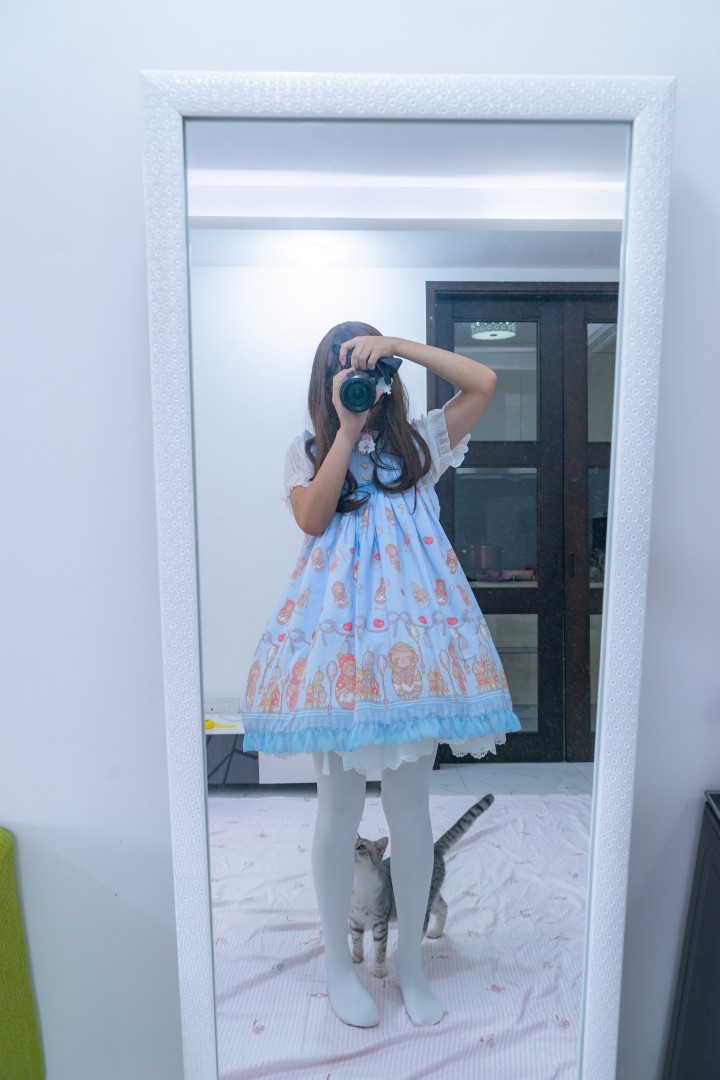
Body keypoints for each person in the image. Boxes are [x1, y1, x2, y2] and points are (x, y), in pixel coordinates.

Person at [242, 321, 522, 1028]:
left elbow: (484, 382)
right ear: (325, 383)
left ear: (388, 378)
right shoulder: (308, 450)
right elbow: (313, 519)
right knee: (336, 810)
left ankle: (411, 964)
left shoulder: (421, 445)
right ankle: (339, 964)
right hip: (338, 656)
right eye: (345, 370)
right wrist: (345, 427)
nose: (361, 379)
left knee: (411, 810)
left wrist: (396, 345)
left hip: (412, 655)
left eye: (369, 369)